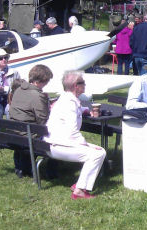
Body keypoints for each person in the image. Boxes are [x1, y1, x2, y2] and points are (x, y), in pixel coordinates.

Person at [44, 71, 106, 199]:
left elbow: (75, 111)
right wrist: (87, 145)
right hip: (57, 145)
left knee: (100, 152)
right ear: (75, 86)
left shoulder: (68, 99)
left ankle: (80, 185)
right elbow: (72, 132)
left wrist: (85, 111)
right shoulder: (69, 103)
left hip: (55, 142)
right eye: (82, 83)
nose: (85, 85)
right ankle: (80, 190)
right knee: (98, 153)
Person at [9, 64, 54, 178]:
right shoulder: (37, 95)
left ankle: (20, 167)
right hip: (28, 135)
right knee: (56, 137)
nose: (46, 84)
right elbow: (43, 121)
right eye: (47, 81)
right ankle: (52, 172)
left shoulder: (19, 89)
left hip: (13, 132)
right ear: (40, 80)